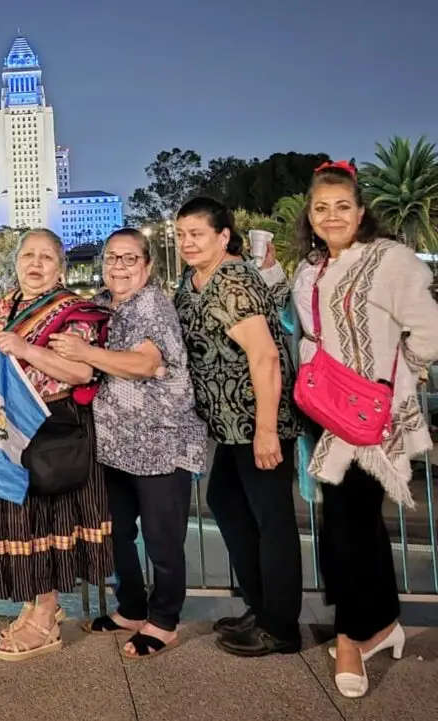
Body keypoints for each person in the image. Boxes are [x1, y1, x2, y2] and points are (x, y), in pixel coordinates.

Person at [291, 161, 438, 697]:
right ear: (310, 215)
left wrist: (400, 374)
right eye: (321, 208)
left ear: (361, 211)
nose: (332, 216)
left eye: (342, 207)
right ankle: (382, 622)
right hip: (325, 411)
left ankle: (351, 637)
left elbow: (429, 330)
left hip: (371, 417)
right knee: (351, 525)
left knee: (348, 528)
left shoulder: (390, 260)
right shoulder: (310, 267)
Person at [0, 228, 113, 662]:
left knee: (44, 521)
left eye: (46, 257)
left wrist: (24, 349)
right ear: (17, 262)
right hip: (3, 428)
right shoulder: (7, 304)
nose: (35, 264)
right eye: (28, 256)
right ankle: (34, 604)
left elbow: (80, 372)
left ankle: (46, 614)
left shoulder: (70, 312)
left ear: (60, 267)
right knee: (19, 521)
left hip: (46, 427)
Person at [50, 228, 206, 659]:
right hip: (114, 445)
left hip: (159, 443)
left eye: (129, 259)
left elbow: (144, 363)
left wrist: (86, 353)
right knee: (116, 532)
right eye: (112, 258)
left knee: (161, 538)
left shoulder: (152, 304)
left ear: (148, 265)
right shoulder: (101, 305)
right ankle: (132, 607)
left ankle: (164, 621)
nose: (119, 267)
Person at [173, 197, 302, 657]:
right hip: (228, 424)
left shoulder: (233, 281)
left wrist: (267, 429)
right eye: (182, 233)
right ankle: (262, 607)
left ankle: (282, 626)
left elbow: (265, 356)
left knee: (273, 520)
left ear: (223, 236)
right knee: (226, 501)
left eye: (198, 234)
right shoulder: (193, 280)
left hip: (258, 419)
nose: (187, 242)